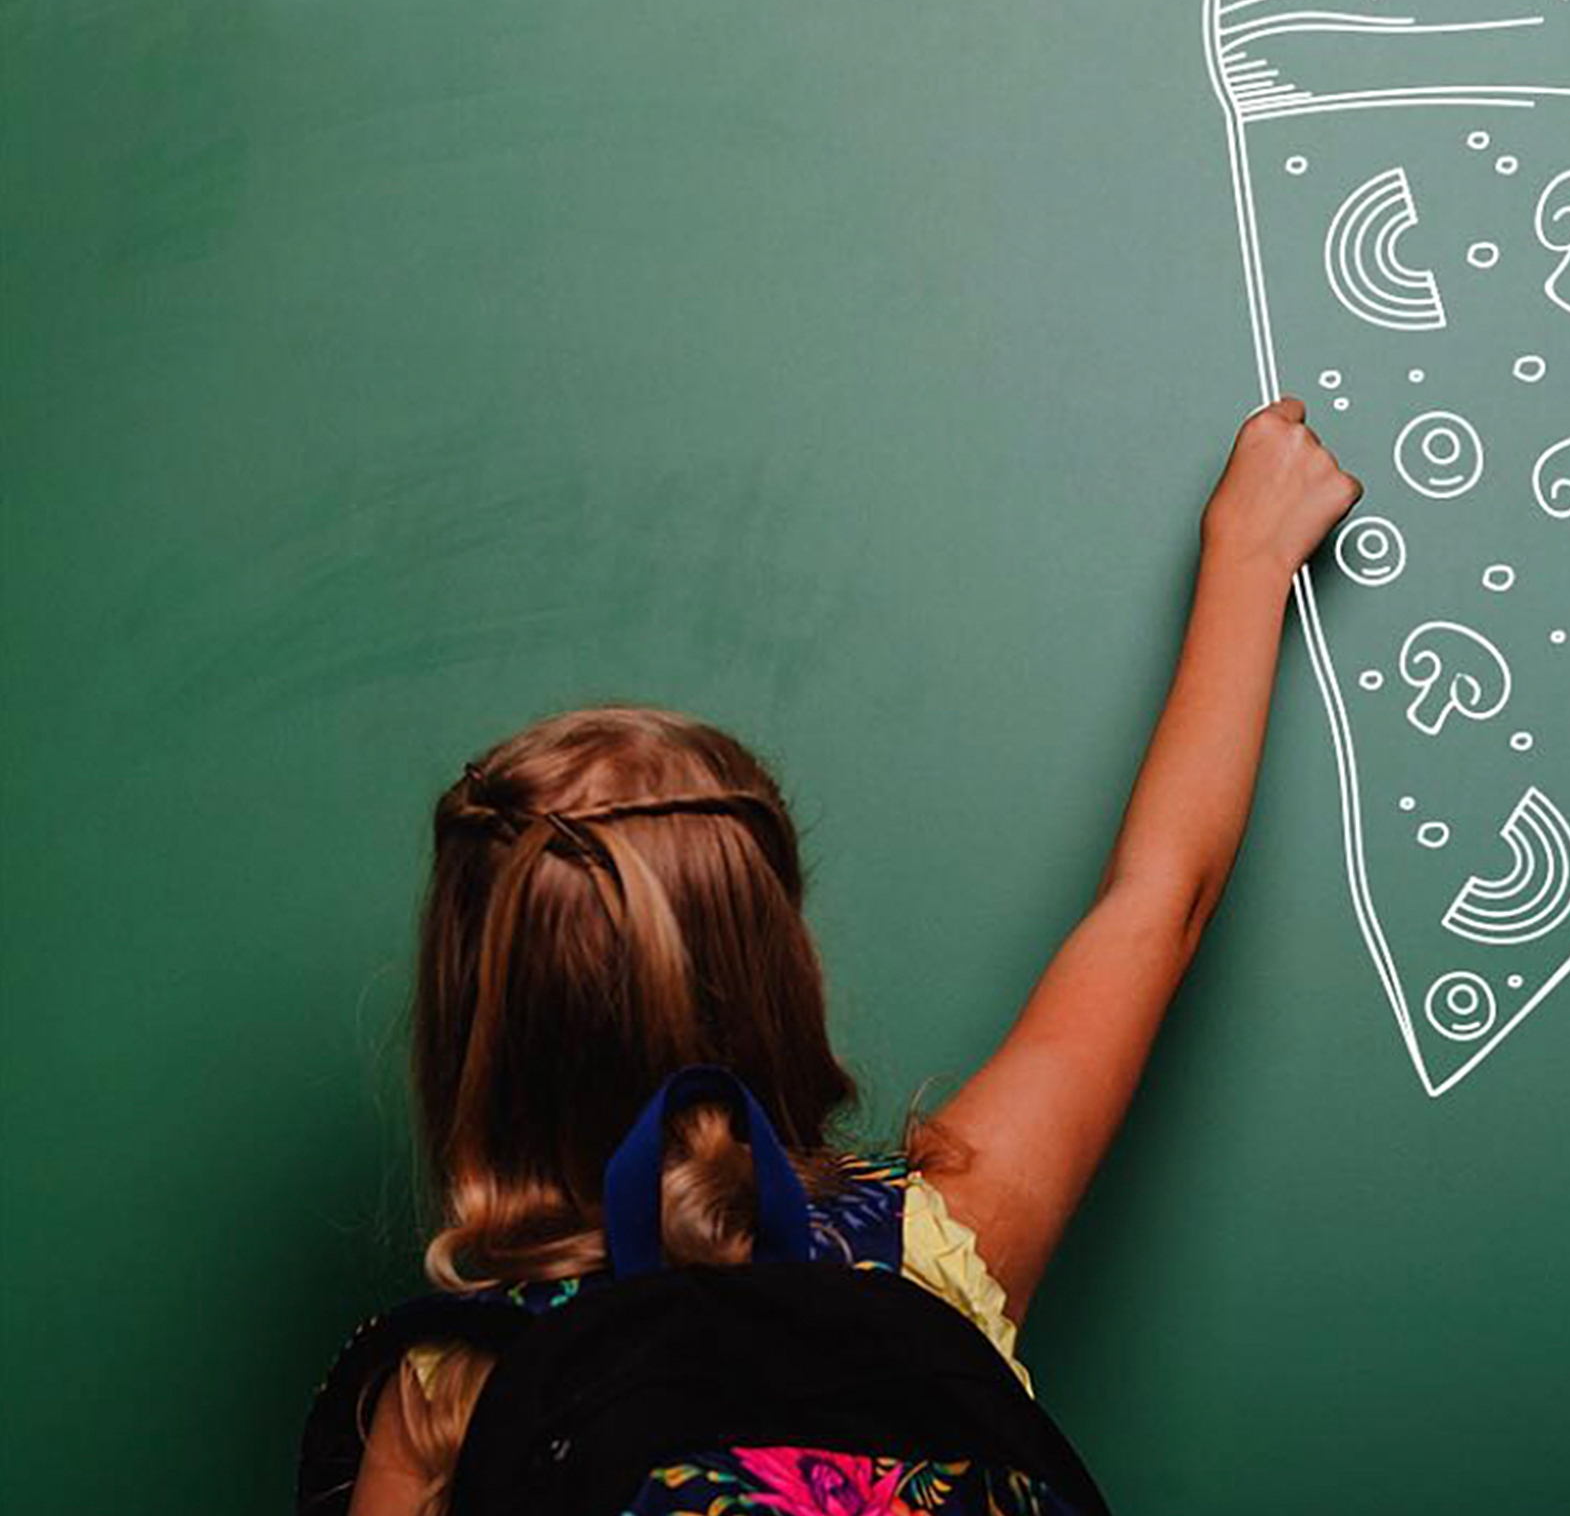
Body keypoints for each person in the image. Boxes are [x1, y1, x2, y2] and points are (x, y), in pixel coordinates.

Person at [333, 397, 1359, 1515]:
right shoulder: (935, 1246)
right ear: (781, 967)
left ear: (475, 1023)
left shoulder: (445, 1395)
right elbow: (1158, 904)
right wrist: (1249, 562)